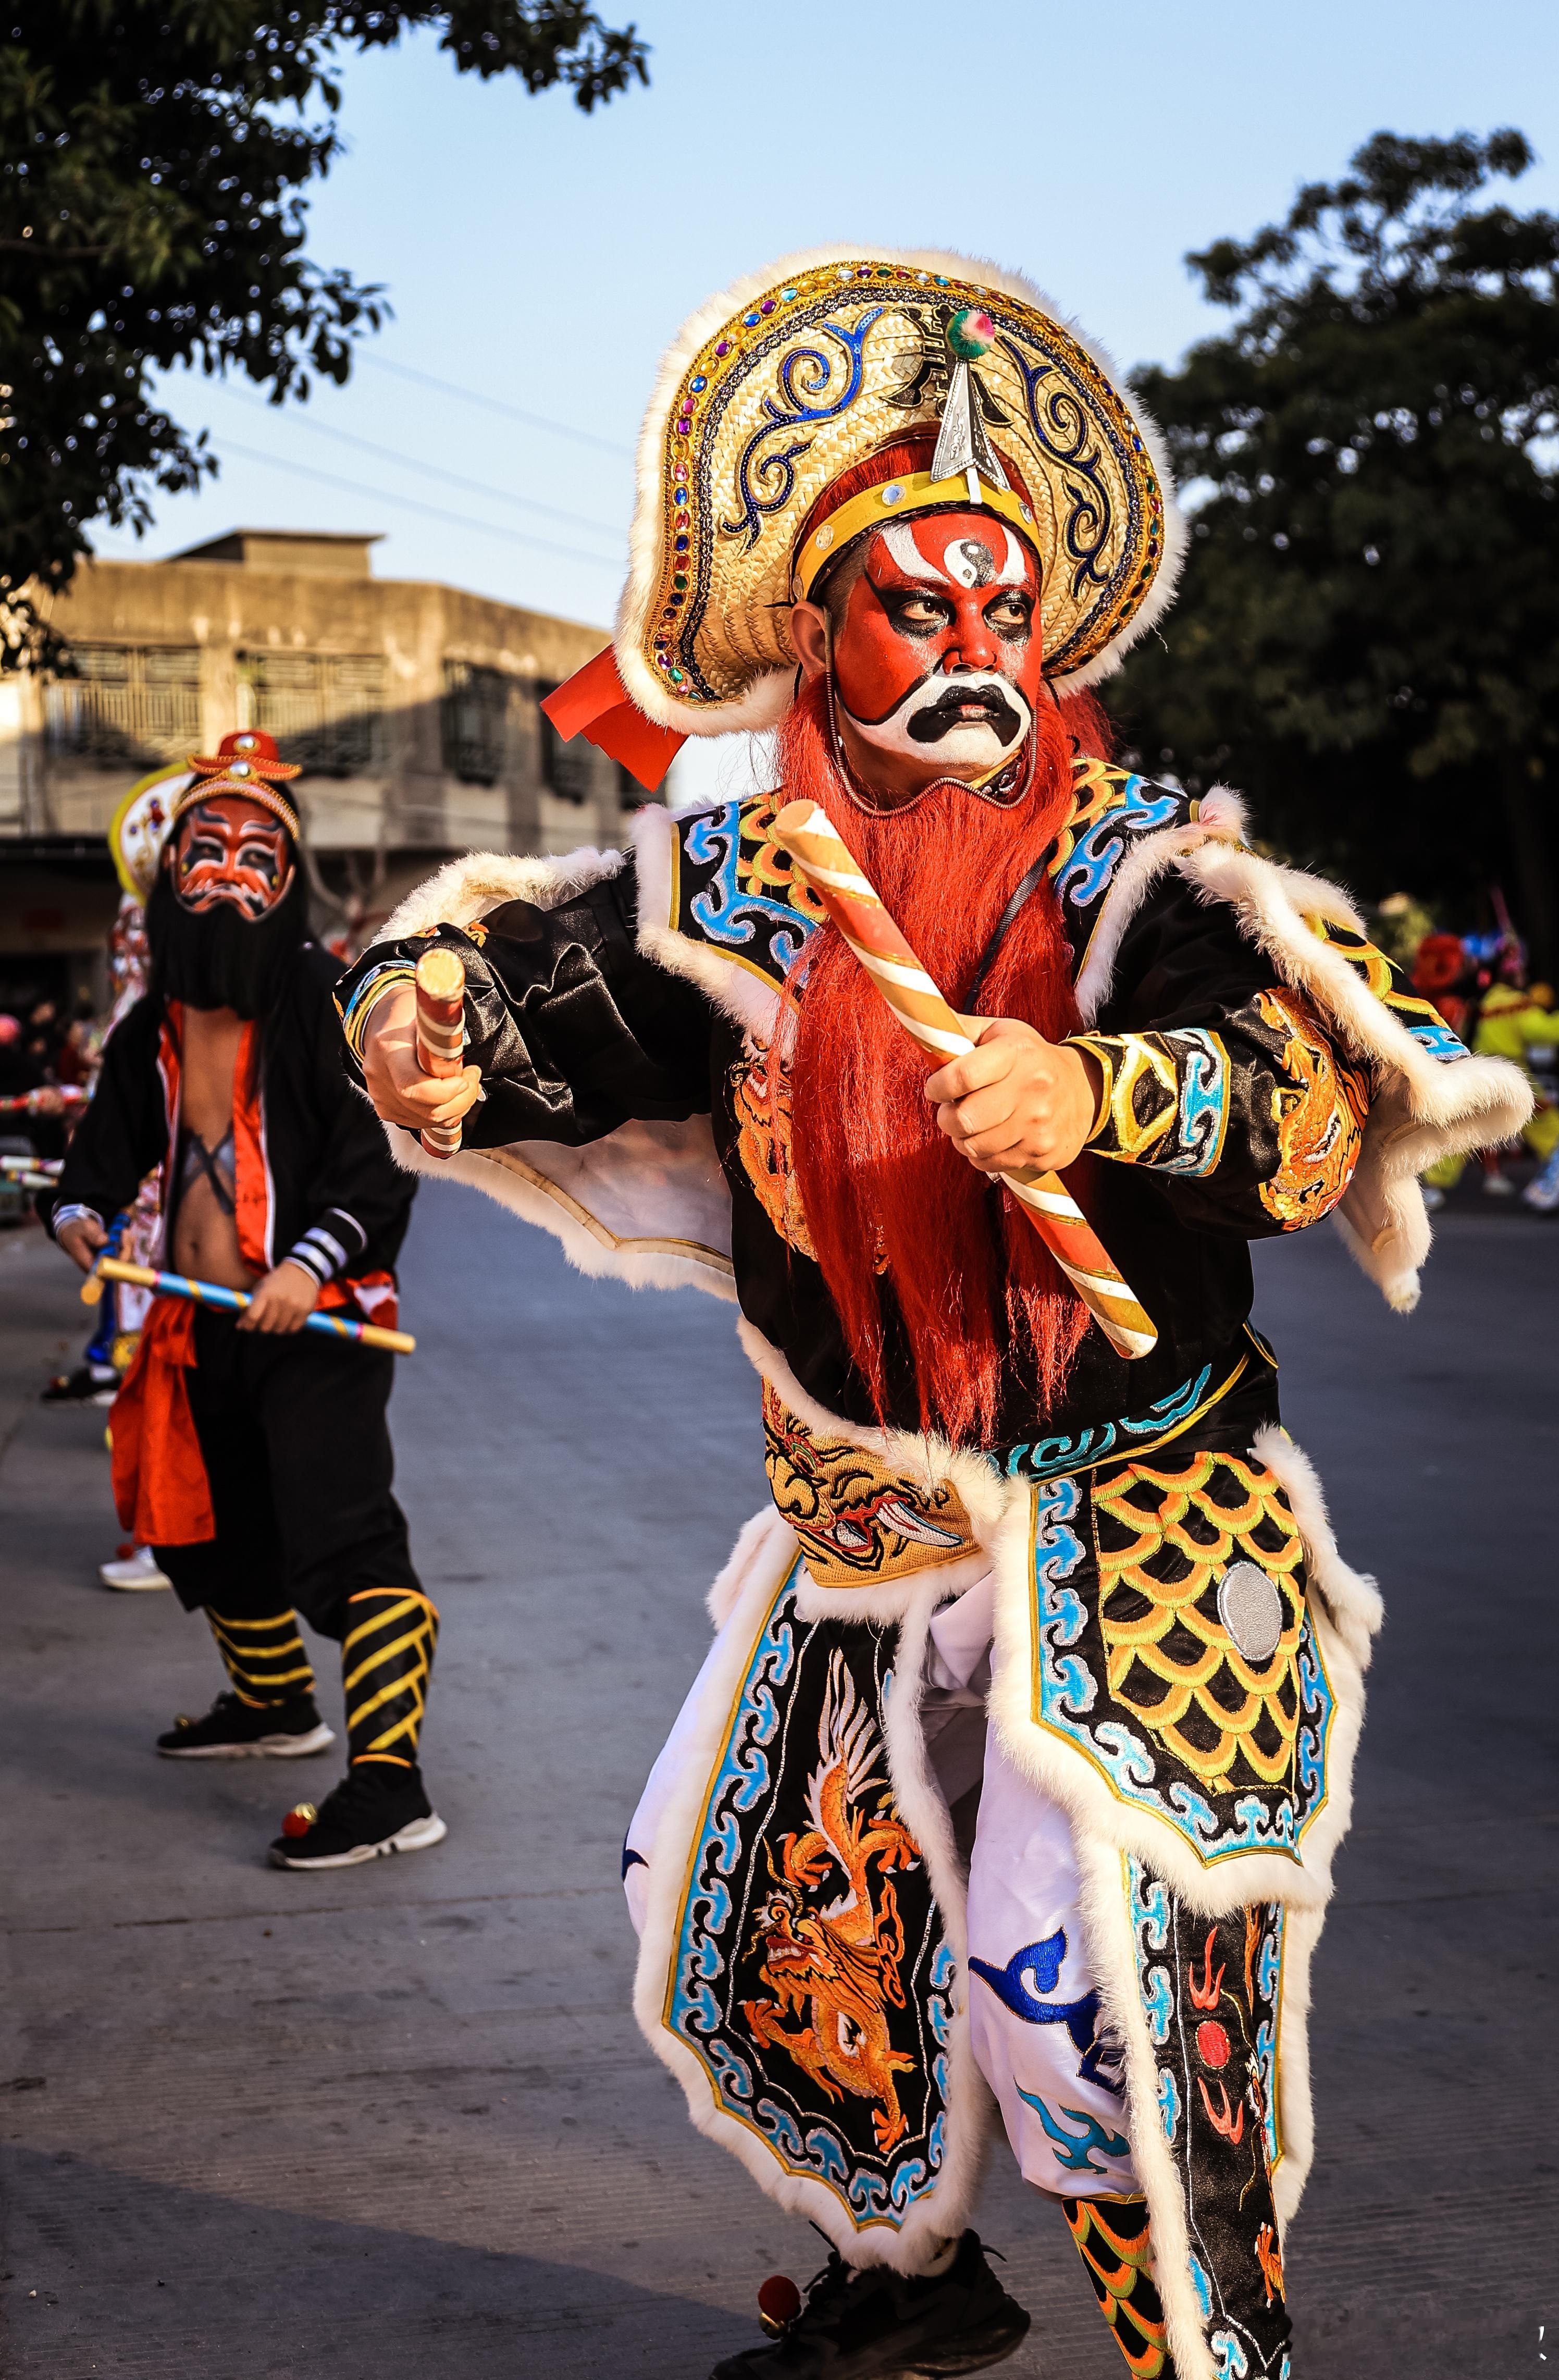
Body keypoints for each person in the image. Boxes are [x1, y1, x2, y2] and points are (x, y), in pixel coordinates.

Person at [340, 252, 1530, 2379]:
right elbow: (533, 1009)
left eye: (1005, 611)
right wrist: (419, 1019)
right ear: (818, 632)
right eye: (921, 604)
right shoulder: (732, 888)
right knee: (719, 1917)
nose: (977, 646)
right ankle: (916, 2282)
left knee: (1084, 2010)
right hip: (863, 1527)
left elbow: (1303, 1087)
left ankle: (1214, 2355)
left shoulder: (1150, 866)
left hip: (1131, 1513)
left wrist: (1100, 1085)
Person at [46, 730, 443, 1870]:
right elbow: (103, 1155)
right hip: (196, 1320)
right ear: (171, 868)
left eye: (255, 850)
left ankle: (391, 1785)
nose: (228, 870)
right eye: (205, 847)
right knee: (217, 1527)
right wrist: (77, 1212)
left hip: (319, 1323)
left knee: (343, 1540)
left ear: (289, 872)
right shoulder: (153, 1021)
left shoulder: (330, 1000)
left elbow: (379, 1164)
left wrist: (306, 1264)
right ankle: (273, 1706)